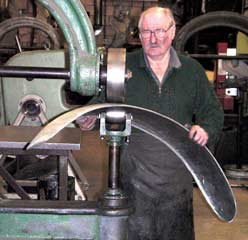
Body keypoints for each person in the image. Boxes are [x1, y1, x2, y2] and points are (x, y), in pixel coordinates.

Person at [77, 6, 224, 240]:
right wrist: (87, 120)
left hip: (177, 177)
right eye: (146, 32)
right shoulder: (124, 66)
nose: (153, 39)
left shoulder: (192, 71)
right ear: (139, 34)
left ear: (173, 31)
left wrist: (205, 129)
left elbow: (213, 112)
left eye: (159, 31)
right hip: (133, 175)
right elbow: (100, 106)